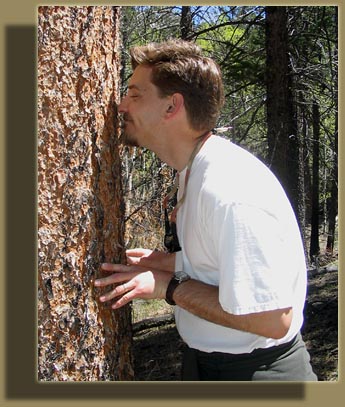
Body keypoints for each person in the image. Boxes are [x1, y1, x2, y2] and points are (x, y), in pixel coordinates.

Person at [94, 39, 317, 381]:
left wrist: (167, 285)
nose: (120, 106)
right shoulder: (195, 172)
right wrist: (174, 263)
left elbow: (273, 319)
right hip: (211, 366)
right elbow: (224, 262)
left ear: (172, 107)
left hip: (259, 376)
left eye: (135, 94)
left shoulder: (229, 188)